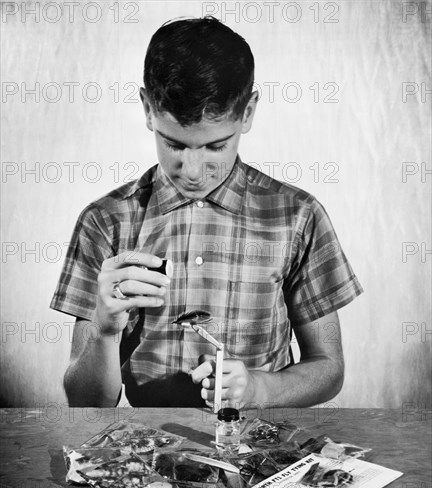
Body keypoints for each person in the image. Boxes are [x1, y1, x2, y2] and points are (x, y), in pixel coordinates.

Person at [51, 17, 363, 408]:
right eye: (174, 144)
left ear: (248, 113)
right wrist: (104, 332)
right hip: (146, 453)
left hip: (263, 446)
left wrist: (259, 389)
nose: (193, 171)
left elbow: (329, 368)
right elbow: (85, 404)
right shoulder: (104, 221)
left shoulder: (297, 216)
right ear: (148, 109)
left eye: (215, 147)